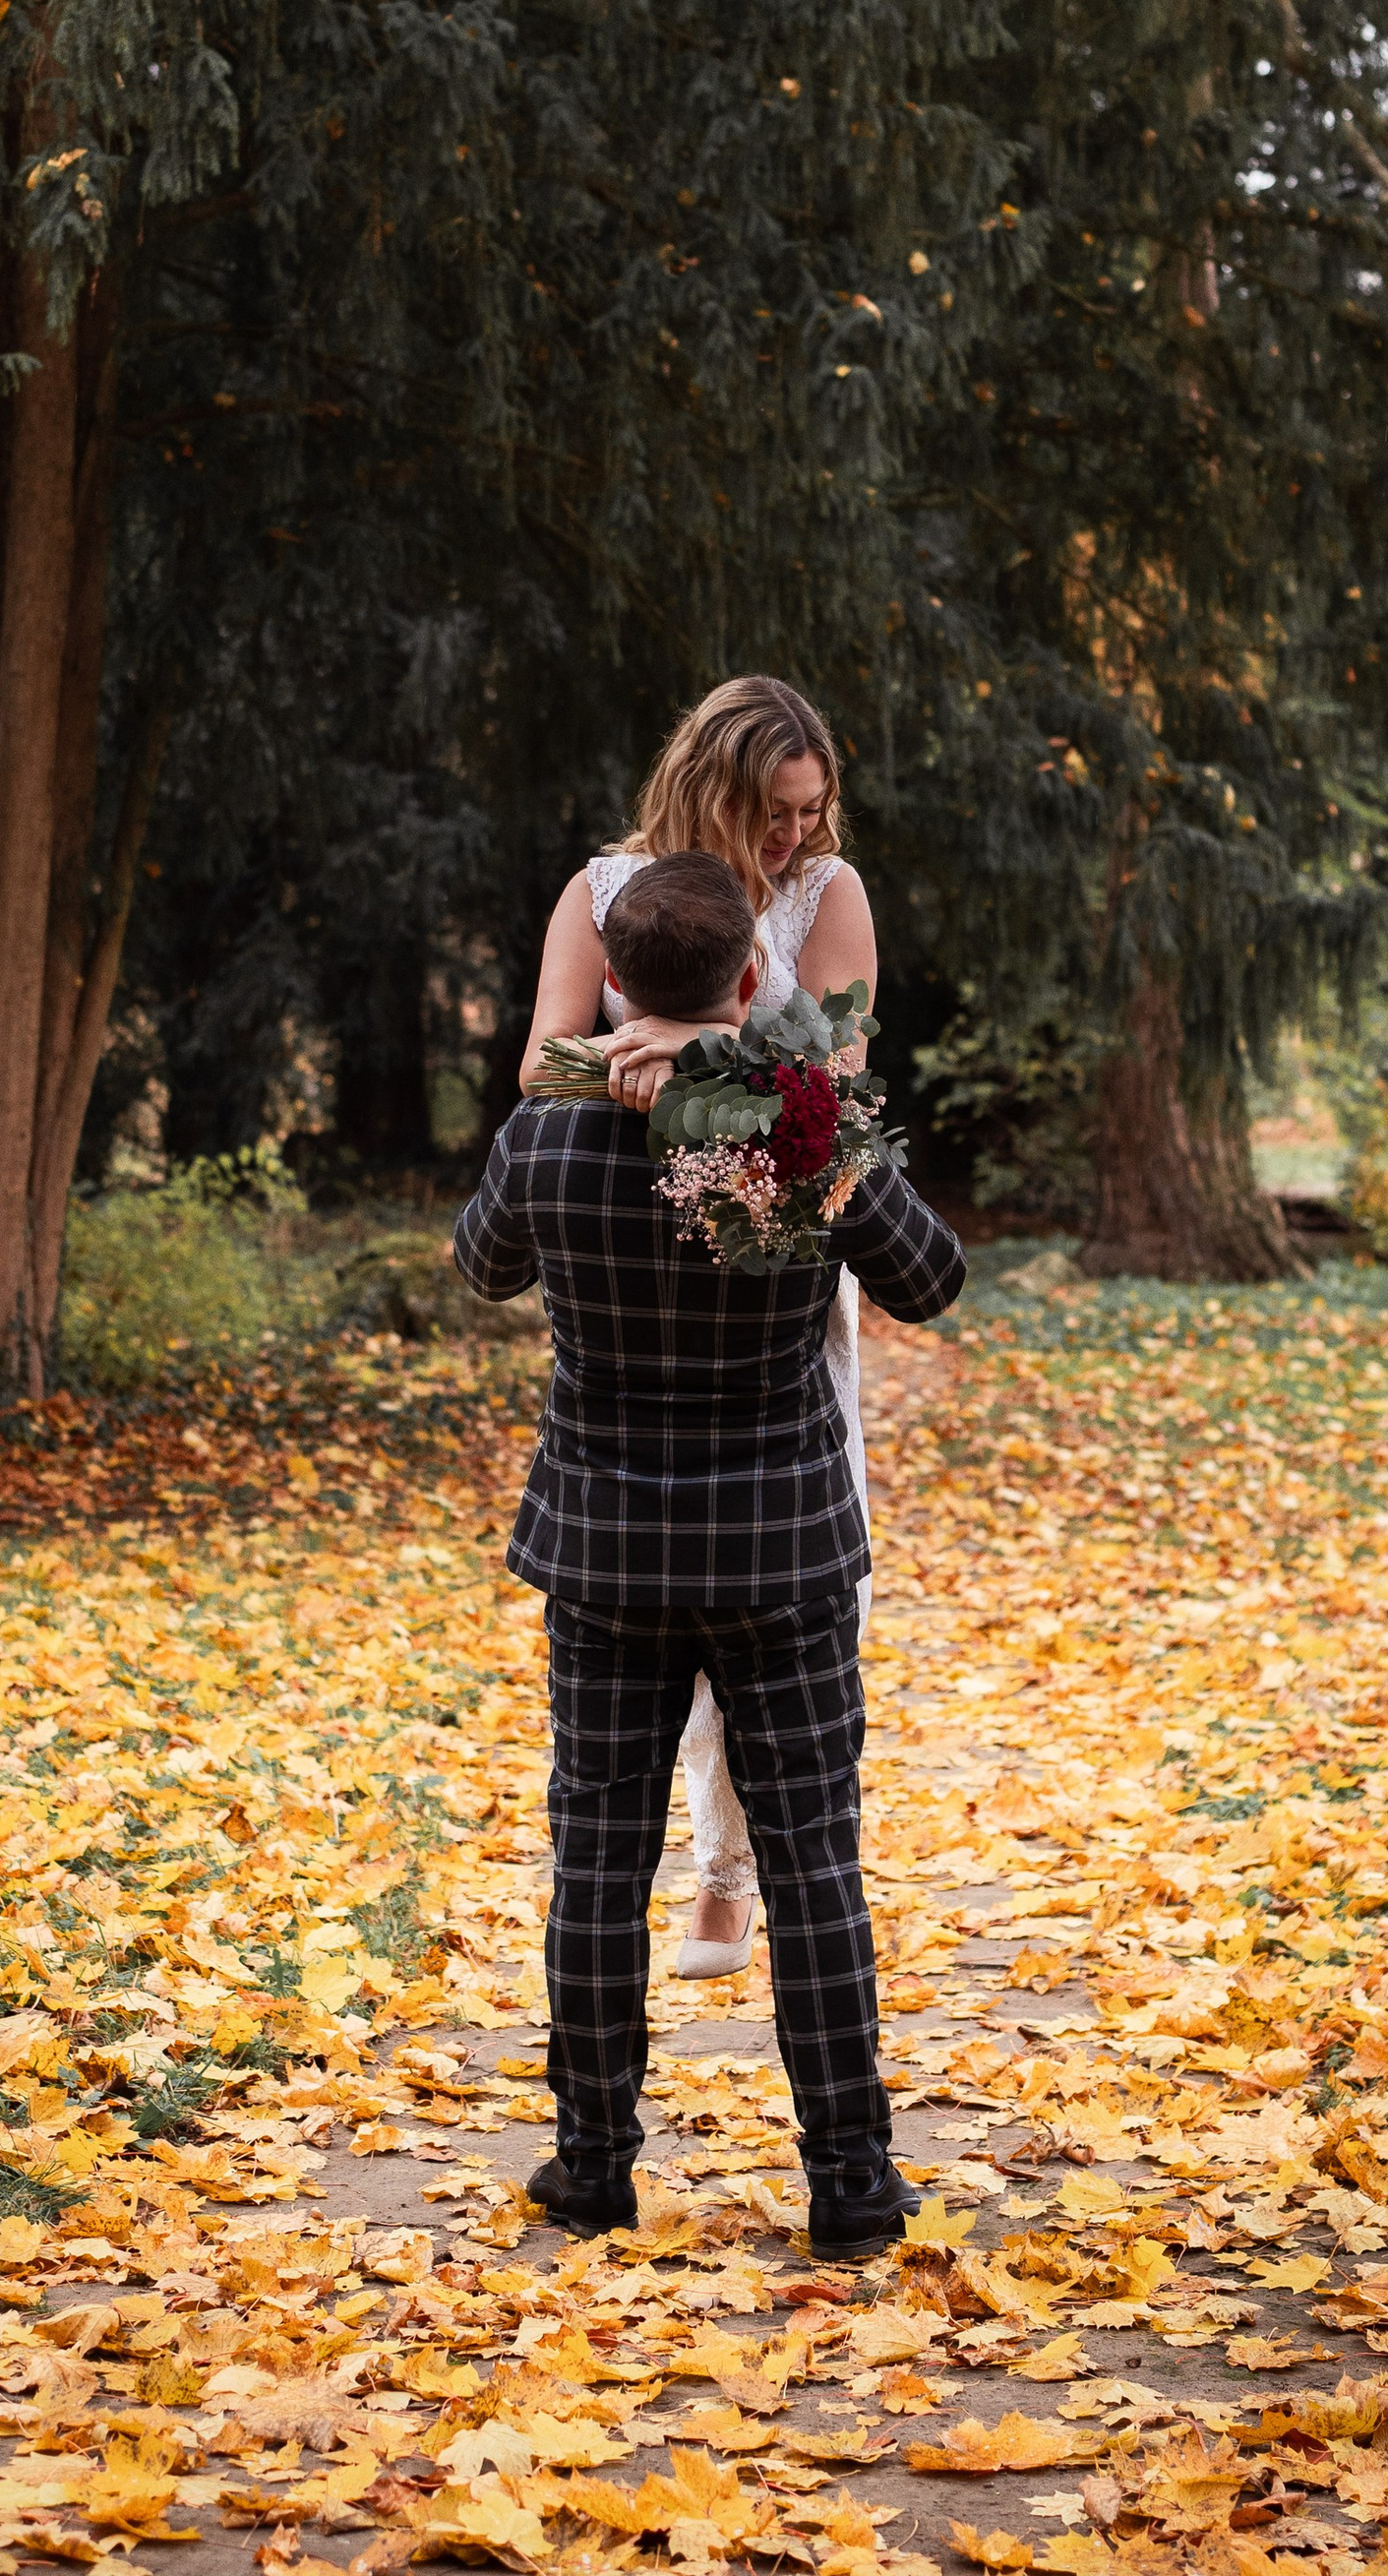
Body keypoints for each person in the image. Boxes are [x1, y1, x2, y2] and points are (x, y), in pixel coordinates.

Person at [458, 849, 967, 2256]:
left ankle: (593, 2162)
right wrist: (800, 1104)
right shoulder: (800, 1130)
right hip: (780, 1552)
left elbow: (482, 1266)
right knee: (813, 1860)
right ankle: (852, 2182)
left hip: (606, 1549)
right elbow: (932, 1277)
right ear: (752, 981)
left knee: (600, 1855)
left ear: (614, 985)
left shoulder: (548, 1135)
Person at [522, 675, 875, 1980]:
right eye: (776, 811)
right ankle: (683, 1847)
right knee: (650, 1572)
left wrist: (685, 1062)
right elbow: (542, 1058)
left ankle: (741, 1868)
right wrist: (658, 1049)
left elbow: (833, 1083)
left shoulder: (824, 899)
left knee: (785, 1572)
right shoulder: (605, 892)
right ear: (716, 784)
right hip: (629, 1276)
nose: (795, 834)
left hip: (775, 1270)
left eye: (812, 808)